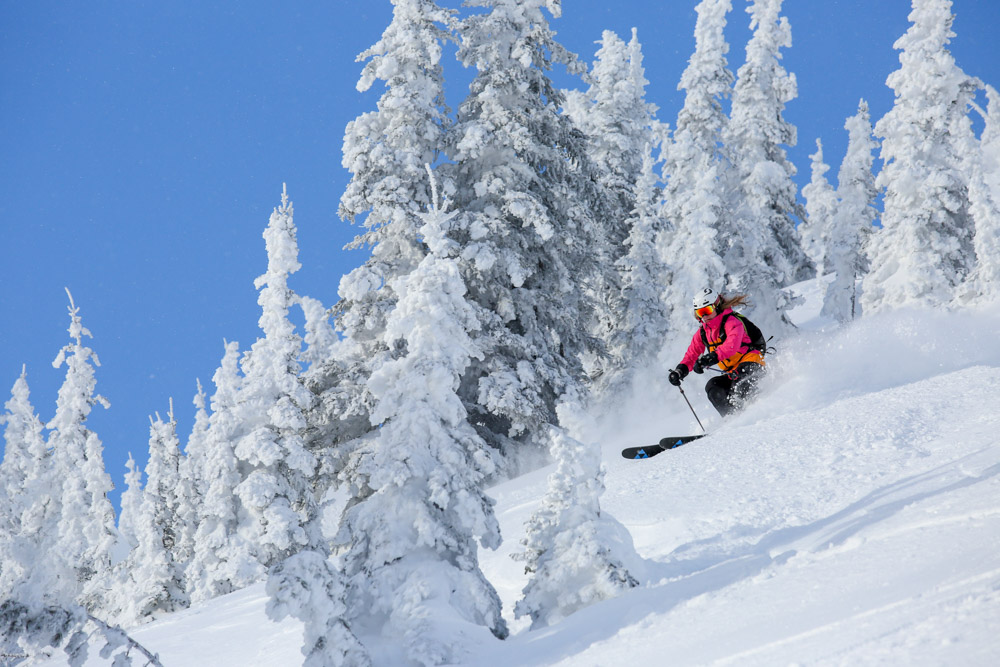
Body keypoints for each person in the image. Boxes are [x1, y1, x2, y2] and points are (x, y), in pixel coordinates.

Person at [667, 288, 766, 417]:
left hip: (751, 363)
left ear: (716, 306)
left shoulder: (732, 322)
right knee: (712, 387)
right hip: (732, 373)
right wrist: (680, 371)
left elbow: (732, 346)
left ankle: (757, 414)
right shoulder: (703, 333)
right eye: (700, 313)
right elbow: (692, 354)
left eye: (706, 311)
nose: (704, 317)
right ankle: (732, 420)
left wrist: (710, 358)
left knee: (740, 385)